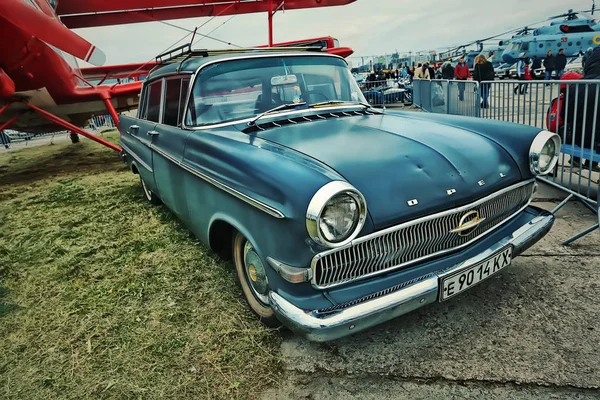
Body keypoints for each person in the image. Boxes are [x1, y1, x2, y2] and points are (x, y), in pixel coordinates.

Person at [563, 47, 600, 171]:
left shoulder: (575, 86)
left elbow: (565, 114)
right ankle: (592, 163)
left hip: (578, 138)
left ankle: (576, 159)